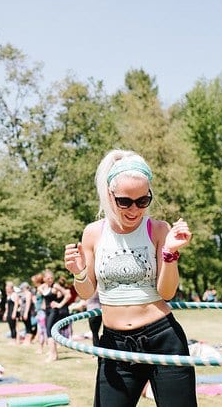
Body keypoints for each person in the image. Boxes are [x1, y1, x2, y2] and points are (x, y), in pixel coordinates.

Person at [64, 149, 196, 406]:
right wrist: (79, 271)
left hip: (163, 338)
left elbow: (167, 293)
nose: (134, 209)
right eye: (125, 201)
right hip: (114, 344)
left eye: (142, 201)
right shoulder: (93, 233)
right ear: (109, 195)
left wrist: (169, 252)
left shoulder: (159, 229)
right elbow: (86, 292)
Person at [37, 269, 71, 362]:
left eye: (51, 278)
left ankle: (53, 356)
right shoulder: (44, 286)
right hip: (47, 311)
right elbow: (39, 289)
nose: (50, 280)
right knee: (49, 332)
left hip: (54, 311)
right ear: (44, 279)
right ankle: (53, 354)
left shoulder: (55, 286)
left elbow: (68, 294)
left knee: (49, 332)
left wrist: (59, 304)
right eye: (48, 278)